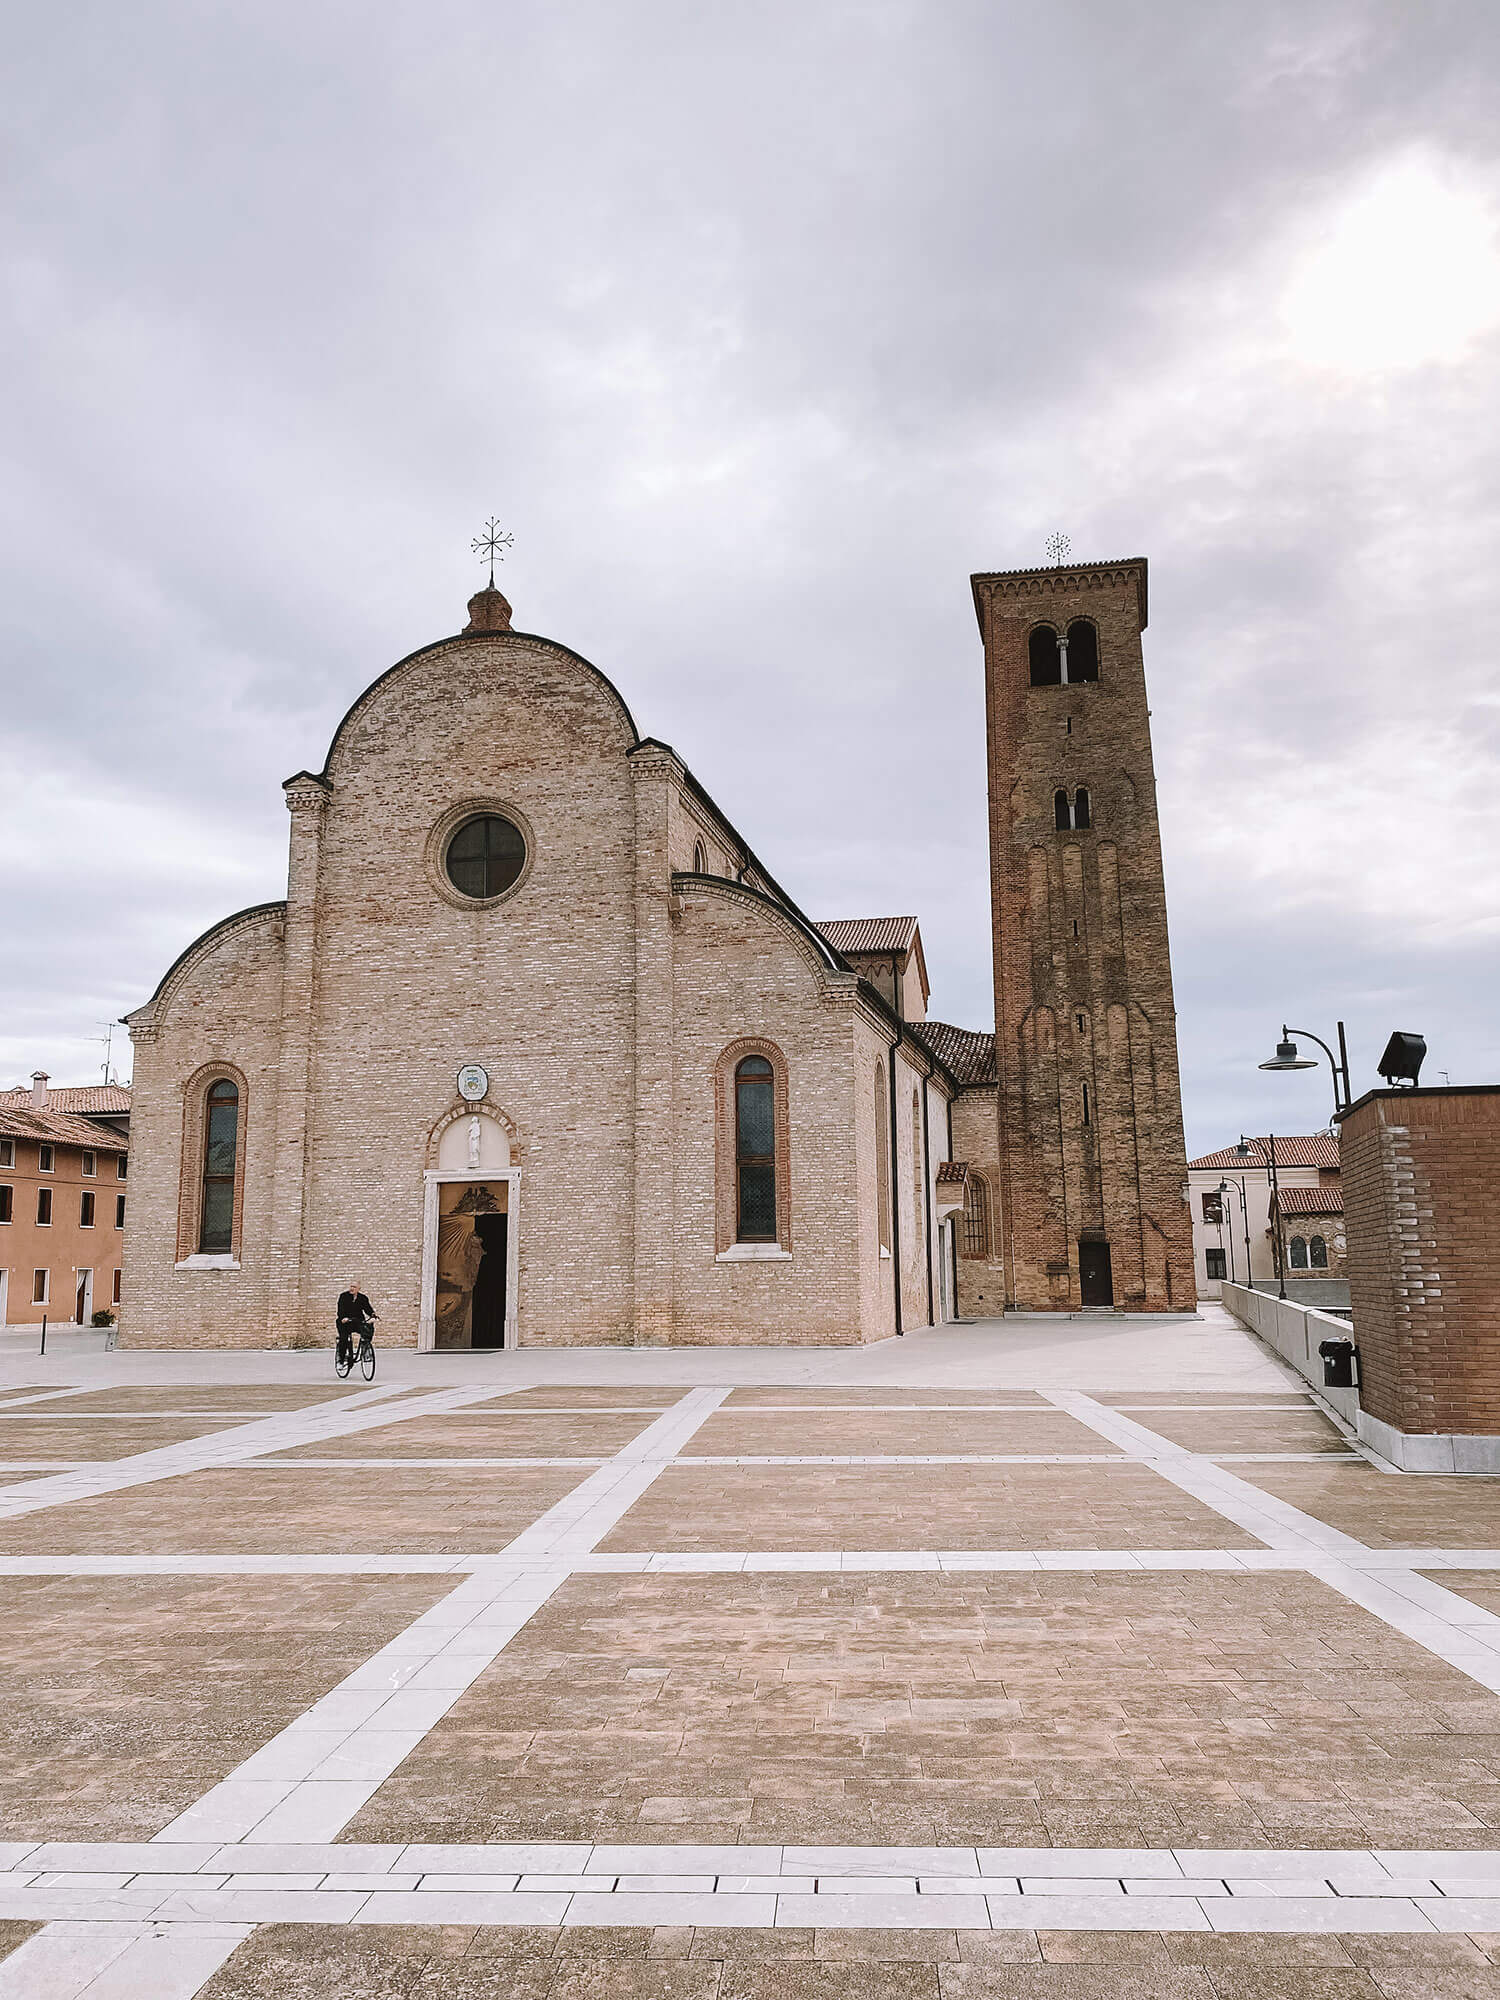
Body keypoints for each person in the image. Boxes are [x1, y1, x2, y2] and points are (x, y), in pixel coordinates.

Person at [335, 1280, 375, 1369]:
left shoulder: (363, 1298)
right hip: (345, 1322)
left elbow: (368, 1309)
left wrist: (373, 1316)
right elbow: (340, 1309)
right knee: (344, 1339)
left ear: (358, 1289)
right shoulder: (343, 1296)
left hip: (357, 1321)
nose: (352, 1288)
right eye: (351, 1286)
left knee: (367, 1329)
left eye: (354, 1287)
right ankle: (341, 1360)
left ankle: (366, 1350)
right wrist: (343, 1318)